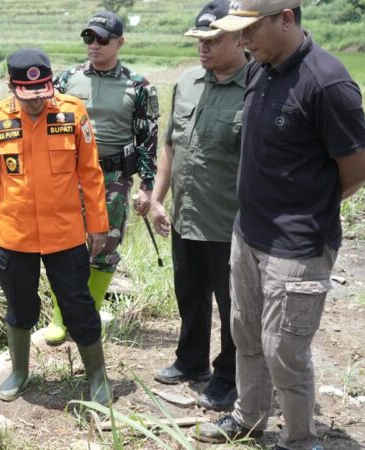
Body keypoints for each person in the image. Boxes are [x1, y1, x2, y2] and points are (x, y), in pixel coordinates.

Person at [194, 1, 365, 448]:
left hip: (296, 247)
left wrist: (306, 210)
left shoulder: (327, 83)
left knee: (284, 351)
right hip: (249, 234)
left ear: (286, 19)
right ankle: (248, 418)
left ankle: (299, 440)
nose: (241, 40)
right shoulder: (260, 68)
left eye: (250, 30)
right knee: (246, 333)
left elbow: (358, 169)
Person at [0, 48, 113, 405]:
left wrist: (98, 226)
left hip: (65, 235)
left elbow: (91, 174)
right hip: (15, 238)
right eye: (27, 96)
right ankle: (19, 372)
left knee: (78, 305)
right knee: (19, 307)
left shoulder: (71, 112)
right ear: (11, 86)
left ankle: (97, 374)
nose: (35, 103)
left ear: (50, 85)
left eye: (42, 94)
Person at [149, 0, 247, 412]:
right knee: (189, 294)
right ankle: (191, 361)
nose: (203, 48)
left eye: (213, 40)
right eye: (199, 40)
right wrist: (157, 198)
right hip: (186, 216)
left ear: (240, 39)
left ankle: (229, 376)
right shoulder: (187, 82)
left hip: (229, 223)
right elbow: (171, 145)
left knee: (232, 308)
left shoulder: (256, 87)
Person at [45, 10, 159, 345]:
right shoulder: (66, 80)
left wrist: (147, 187)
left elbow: (148, 139)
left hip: (112, 178)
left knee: (105, 248)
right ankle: (59, 319)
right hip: (68, 175)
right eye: (89, 38)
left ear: (120, 42)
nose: (94, 45)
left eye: (102, 39)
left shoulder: (138, 86)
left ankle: (87, 317)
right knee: (63, 246)